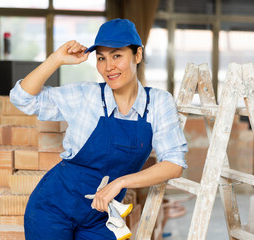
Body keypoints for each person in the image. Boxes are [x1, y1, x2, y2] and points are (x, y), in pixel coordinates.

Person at [10, 18, 188, 240]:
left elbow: (174, 164)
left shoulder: (159, 103)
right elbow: (22, 99)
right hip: (53, 208)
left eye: (117, 56)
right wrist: (57, 59)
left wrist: (121, 182)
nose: (108, 67)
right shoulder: (86, 96)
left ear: (138, 55)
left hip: (100, 216)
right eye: (101, 58)